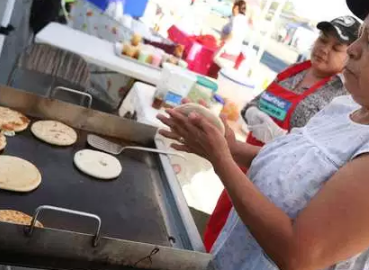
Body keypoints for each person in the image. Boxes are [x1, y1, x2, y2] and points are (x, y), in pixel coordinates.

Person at [157, 0, 369, 268]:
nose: (352, 49)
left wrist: (222, 160)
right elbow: (298, 158)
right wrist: (232, 148)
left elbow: (299, 255)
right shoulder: (345, 107)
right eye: (360, 36)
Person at [204, 15, 360, 253]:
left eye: (336, 47)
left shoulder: (339, 97)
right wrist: (252, 117)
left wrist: (280, 140)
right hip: (245, 162)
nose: (324, 49)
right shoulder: (295, 71)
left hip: (277, 184)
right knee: (219, 229)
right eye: (322, 39)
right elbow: (251, 105)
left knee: (247, 242)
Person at [208, 0, 249, 78]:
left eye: (233, 7)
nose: (232, 9)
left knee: (214, 65)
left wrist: (221, 40)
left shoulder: (237, 19)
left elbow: (232, 35)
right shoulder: (244, 20)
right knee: (219, 72)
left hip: (227, 49)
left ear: (236, 8)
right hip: (235, 52)